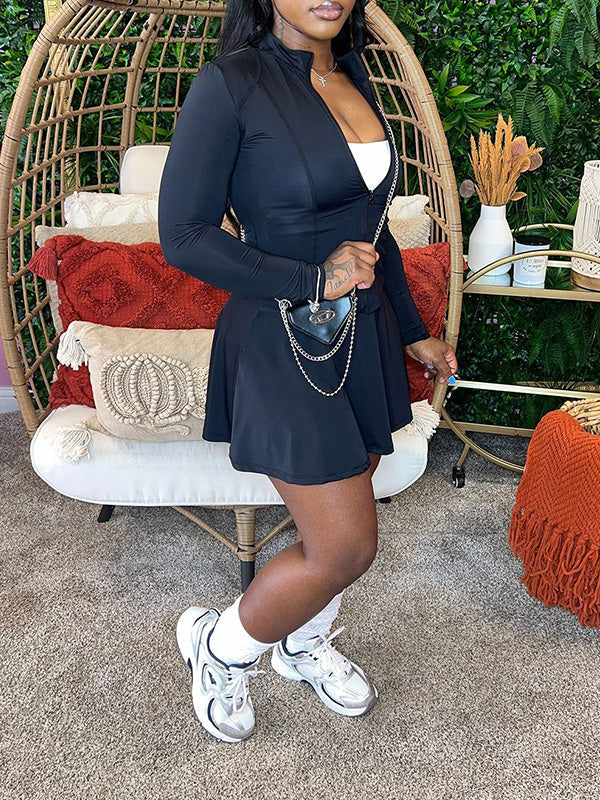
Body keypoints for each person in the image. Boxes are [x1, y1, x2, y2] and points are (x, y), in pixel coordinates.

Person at [158, 0, 458, 744]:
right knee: (345, 546)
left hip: (365, 335)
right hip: (280, 339)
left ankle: (301, 642)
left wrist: (413, 332)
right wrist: (312, 279)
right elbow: (184, 235)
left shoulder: (354, 73)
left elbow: (372, 230)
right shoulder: (230, 84)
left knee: (344, 519)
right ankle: (219, 648)